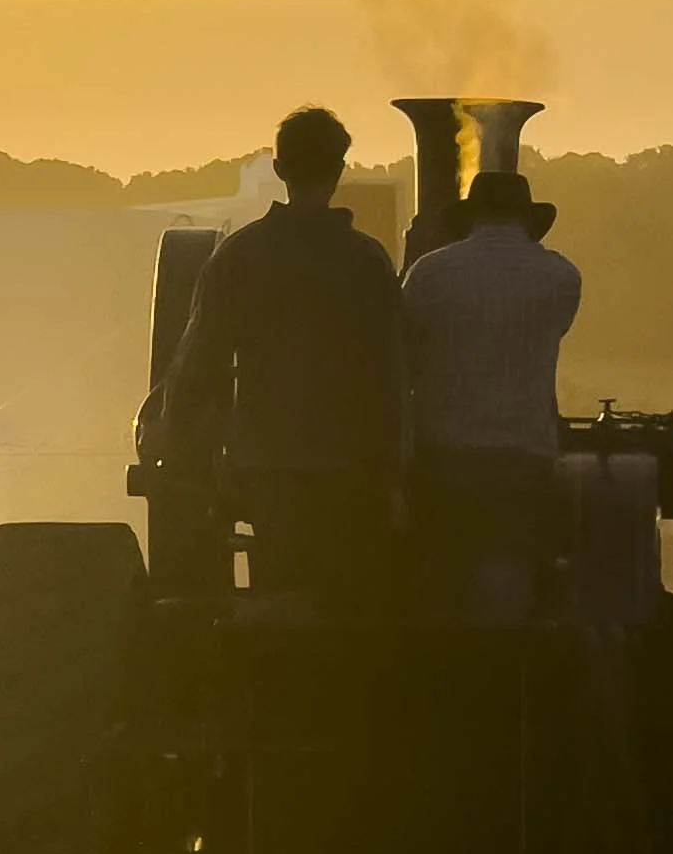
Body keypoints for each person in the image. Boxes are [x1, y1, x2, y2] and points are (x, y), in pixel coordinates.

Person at [159, 105, 406, 617]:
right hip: (351, 466)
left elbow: (198, 362)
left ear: (279, 169)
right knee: (349, 609)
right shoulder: (367, 261)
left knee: (279, 597)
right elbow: (391, 372)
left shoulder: (238, 256)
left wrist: (179, 446)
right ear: (339, 171)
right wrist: (395, 466)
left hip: (267, 464)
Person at [401, 168, 582, 621]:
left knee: (441, 579)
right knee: (511, 578)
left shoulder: (429, 272)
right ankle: (506, 672)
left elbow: (405, 350)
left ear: (472, 216)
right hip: (525, 455)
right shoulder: (561, 276)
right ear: (526, 217)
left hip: (445, 454)